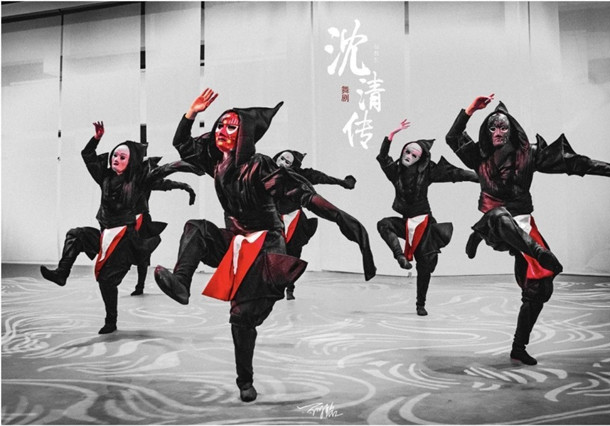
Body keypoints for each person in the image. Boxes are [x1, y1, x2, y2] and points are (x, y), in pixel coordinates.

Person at [445, 94, 610, 365]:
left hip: (523, 224)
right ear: (486, 131)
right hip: (495, 223)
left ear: (511, 129)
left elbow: (579, 163)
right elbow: (453, 138)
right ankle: (486, 234)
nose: (498, 132)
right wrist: (471, 109)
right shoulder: (478, 155)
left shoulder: (529, 154)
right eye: (492, 127)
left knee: (539, 288)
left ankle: (518, 347)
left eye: (502, 127)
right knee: (499, 216)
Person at [153, 88, 313, 403]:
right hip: (236, 243)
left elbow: (297, 192)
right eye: (220, 125)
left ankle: (245, 381)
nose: (222, 131)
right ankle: (182, 283)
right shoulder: (218, 162)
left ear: (246, 135)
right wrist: (191, 113)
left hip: (265, 250)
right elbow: (183, 145)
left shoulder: (261, 165)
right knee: (197, 228)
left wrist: (344, 221)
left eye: (231, 127)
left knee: (243, 318)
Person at [42, 121, 201, 334]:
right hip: (105, 234)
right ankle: (62, 273)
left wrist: (187, 176)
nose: (116, 159)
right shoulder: (105, 177)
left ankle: (112, 320)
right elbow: (87, 155)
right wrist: (96, 138)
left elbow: (164, 173)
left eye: (122, 157)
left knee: (107, 281)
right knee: (76, 235)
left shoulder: (138, 180)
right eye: (115, 155)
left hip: (125, 239)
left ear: (131, 161)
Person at [41, 151, 197, 298]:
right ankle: (63, 273)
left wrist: (185, 186)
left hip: (136, 224)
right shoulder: (118, 178)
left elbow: (164, 182)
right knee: (81, 237)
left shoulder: (144, 180)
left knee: (141, 257)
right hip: (113, 226)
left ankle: (139, 285)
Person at [377, 119, 479, 316]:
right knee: (384, 224)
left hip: (424, 224)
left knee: (425, 267)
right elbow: (383, 158)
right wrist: (390, 136)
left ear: (420, 158)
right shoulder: (395, 171)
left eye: (414, 155)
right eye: (407, 152)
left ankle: (420, 304)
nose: (409, 156)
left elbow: (455, 174)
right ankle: (400, 256)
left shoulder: (428, 171)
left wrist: (480, 178)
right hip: (406, 221)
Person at [272, 150, 375, 300]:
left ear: (292, 166)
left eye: (287, 162)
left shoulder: (299, 175)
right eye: (281, 158)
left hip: (295, 217)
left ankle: (290, 287)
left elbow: (321, 177)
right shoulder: (264, 169)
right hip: (273, 217)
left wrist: (342, 182)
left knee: (294, 252)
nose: (282, 163)